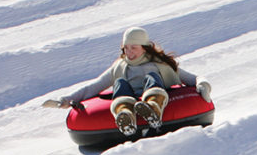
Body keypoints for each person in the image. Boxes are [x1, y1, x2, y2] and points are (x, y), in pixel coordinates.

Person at [59, 26, 211, 136]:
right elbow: (95, 86)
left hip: (151, 95)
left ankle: (153, 109)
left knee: (152, 77)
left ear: (144, 48)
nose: (129, 52)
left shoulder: (159, 64)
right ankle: (126, 116)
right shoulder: (120, 66)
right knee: (119, 83)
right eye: (126, 48)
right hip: (131, 98)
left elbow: (193, 78)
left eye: (134, 48)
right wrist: (68, 99)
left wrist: (203, 85)